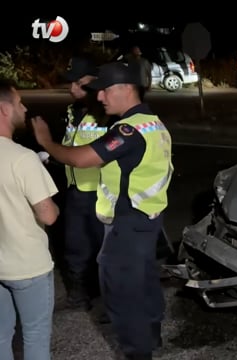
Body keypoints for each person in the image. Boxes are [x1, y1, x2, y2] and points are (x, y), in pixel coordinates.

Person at [31, 62, 174, 360]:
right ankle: (151, 337)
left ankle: (139, 353)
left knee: (122, 296)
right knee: (144, 282)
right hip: (147, 220)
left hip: (127, 226)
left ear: (126, 89)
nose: (99, 97)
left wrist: (45, 141)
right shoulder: (152, 122)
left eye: (105, 90)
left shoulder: (129, 129)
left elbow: (82, 158)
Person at [0, 80, 60, 360]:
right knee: (35, 336)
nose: (24, 109)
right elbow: (47, 214)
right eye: (19, 102)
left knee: (0, 336)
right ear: (3, 109)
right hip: (27, 266)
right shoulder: (23, 159)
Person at [56, 56, 113, 312]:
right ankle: (79, 293)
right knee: (75, 243)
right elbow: (71, 144)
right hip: (76, 190)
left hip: (102, 192)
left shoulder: (108, 114)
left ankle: (107, 297)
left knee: (104, 248)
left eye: (79, 83)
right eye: (71, 83)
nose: (72, 89)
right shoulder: (72, 111)